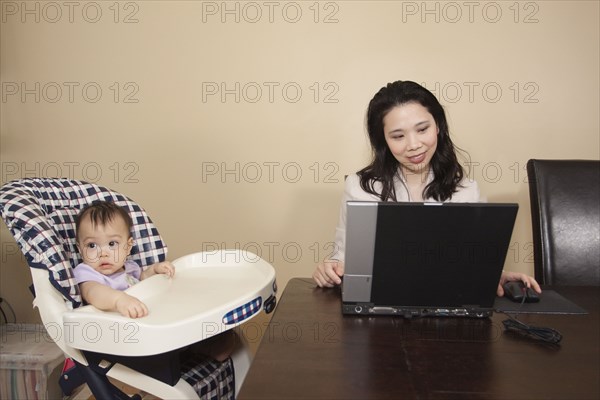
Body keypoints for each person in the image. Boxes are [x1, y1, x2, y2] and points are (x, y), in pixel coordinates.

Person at [312, 80, 541, 297]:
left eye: (422, 129)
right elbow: (344, 260)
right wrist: (329, 269)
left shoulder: (466, 191)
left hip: (446, 309)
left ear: (438, 126)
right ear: (383, 140)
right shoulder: (359, 187)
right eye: (398, 136)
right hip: (381, 309)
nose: (414, 145)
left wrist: (495, 276)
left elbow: (471, 263)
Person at [74, 201, 234, 361]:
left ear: (128, 246)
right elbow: (93, 292)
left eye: (112, 244)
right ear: (80, 249)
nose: (103, 253)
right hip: (122, 335)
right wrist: (118, 300)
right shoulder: (86, 273)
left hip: (150, 320)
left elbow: (141, 281)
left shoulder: (129, 267)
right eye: (92, 245)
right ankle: (197, 347)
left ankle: (204, 342)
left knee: (185, 307)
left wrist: (155, 270)